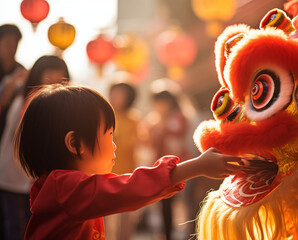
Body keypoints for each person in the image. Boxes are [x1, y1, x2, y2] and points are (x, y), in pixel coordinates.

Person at [14, 83, 242, 239]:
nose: (113, 144)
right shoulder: (66, 188)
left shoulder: (61, 187)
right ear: (75, 144)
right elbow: (129, 189)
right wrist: (196, 166)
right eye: (108, 134)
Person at [0, 55, 69, 240]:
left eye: (60, 78)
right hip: (17, 178)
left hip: (33, 179)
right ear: (38, 76)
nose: (54, 83)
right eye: (50, 76)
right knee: (19, 229)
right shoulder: (26, 103)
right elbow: (29, 144)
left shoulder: (50, 105)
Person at [144, 90, 189, 240]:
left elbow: (178, 135)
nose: (160, 106)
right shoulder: (153, 120)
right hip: (159, 166)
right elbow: (148, 141)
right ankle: (166, 231)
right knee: (164, 201)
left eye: (163, 102)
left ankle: (177, 231)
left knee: (178, 200)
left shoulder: (178, 118)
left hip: (178, 164)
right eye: (157, 102)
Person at [105, 82, 141, 240]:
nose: (117, 97)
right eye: (115, 92)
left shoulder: (133, 119)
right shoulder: (104, 115)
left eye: (121, 94)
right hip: (106, 170)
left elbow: (132, 142)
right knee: (104, 213)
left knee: (126, 213)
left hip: (127, 171)